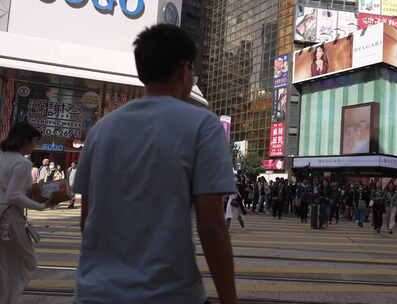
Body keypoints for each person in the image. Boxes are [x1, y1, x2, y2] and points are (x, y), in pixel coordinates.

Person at [72, 25, 237, 304]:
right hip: (169, 294)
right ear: (184, 69)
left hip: (94, 293)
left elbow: (87, 219)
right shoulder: (203, 124)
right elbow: (211, 226)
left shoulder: (101, 129)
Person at [0, 122, 61, 304]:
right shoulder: (22, 163)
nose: (34, 147)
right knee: (27, 262)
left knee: (4, 263)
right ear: (25, 140)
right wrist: (41, 206)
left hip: (5, 216)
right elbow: (14, 195)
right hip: (9, 219)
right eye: (34, 142)